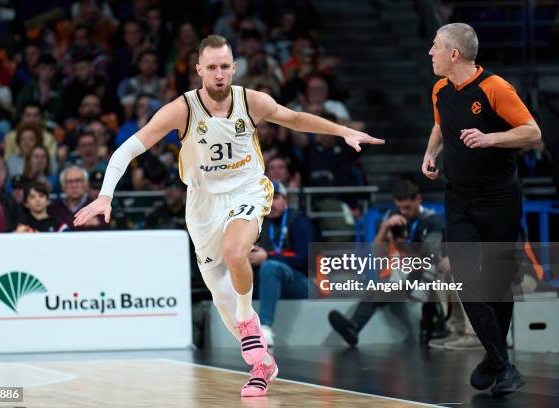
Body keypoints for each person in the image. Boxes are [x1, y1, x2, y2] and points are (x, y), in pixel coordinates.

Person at [73, 34, 383, 397]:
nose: (219, 74)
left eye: (225, 67)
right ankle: (262, 365)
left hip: (246, 189)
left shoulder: (250, 101)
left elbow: (295, 118)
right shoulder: (183, 109)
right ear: (199, 70)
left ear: (233, 68)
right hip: (202, 203)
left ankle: (249, 323)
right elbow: (127, 150)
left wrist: (342, 130)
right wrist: (105, 196)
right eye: (212, 67)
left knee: (236, 252)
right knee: (221, 299)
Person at [423, 23, 541, 396]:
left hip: (500, 199)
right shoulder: (440, 89)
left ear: (454, 53)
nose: (430, 52)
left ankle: (494, 361)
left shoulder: (495, 88)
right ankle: (504, 364)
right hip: (459, 198)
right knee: (462, 275)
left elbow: (532, 131)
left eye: (436, 46)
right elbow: (440, 125)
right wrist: (430, 153)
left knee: (499, 283)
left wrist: (491, 138)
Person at [328, 179, 445, 346]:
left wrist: (404, 245)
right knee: (377, 289)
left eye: (407, 207)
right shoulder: (393, 217)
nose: (403, 212)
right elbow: (376, 253)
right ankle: (353, 327)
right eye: (400, 207)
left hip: (424, 276)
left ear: (418, 199)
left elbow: (430, 256)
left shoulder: (432, 221)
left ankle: (432, 327)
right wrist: (385, 227)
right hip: (398, 277)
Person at [251, 180, 316, 347]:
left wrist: (268, 257)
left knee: (270, 266)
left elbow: (306, 259)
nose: (271, 203)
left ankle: (264, 326)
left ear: (286, 200)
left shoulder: (299, 221)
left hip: (303, 282)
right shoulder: (260, 223)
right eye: (266, 198)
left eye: (276, 197)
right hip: (270, 282)